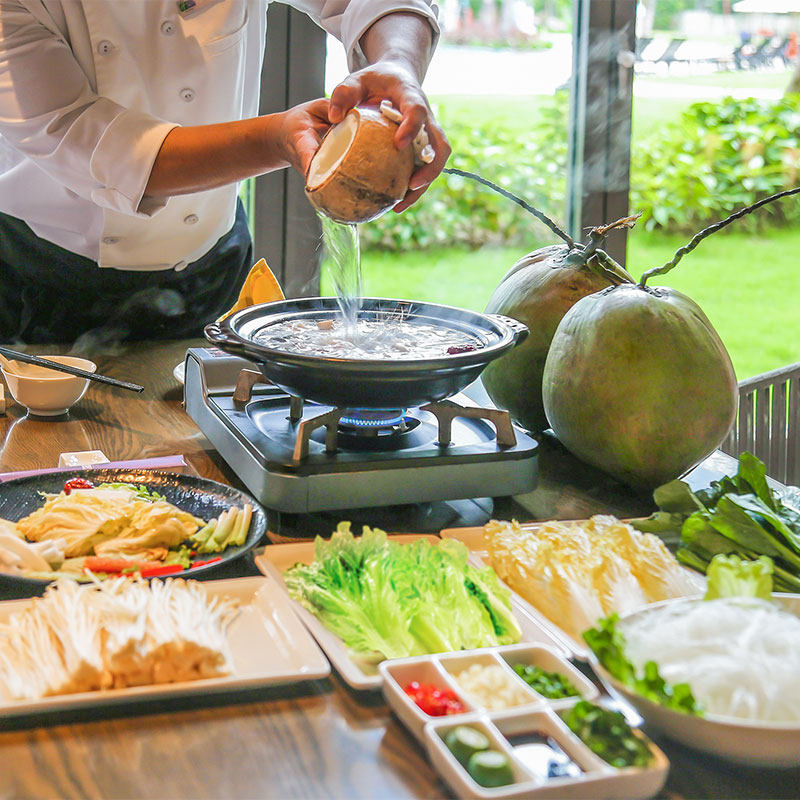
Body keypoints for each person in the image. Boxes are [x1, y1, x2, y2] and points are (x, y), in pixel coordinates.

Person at [0, 0, 450, 345]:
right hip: (40, 283)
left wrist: (397, 62)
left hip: (211, 270)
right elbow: (94, 141)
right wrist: (277, 138)